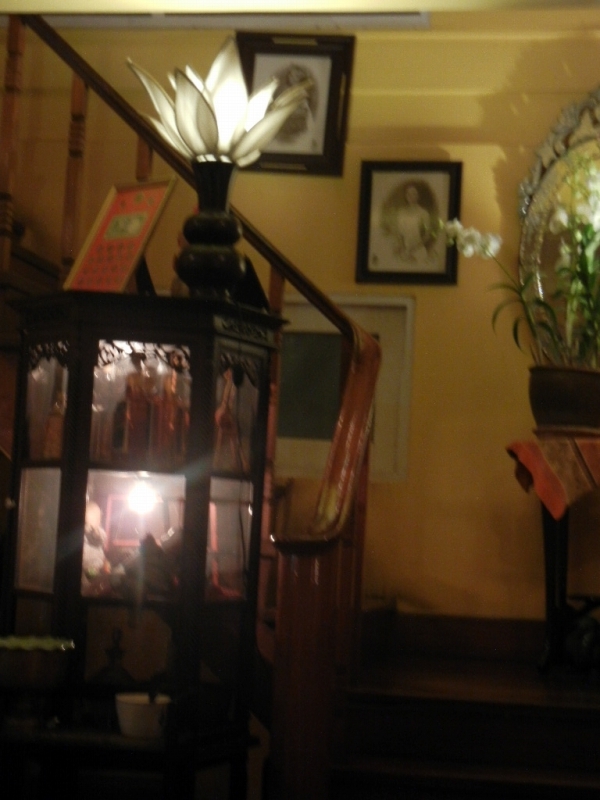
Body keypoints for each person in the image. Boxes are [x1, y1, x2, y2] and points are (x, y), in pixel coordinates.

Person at [381, 179, 440, 268]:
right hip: (403, 249)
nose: (411, 196)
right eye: (408, 194)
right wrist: (402, 248)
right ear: (406, 196)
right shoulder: (401, 212)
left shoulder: (423, 213)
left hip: (418, 249)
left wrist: (412, 249)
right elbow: (398, 233)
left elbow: (427, 235)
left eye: (414, 194)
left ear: (418, 196)